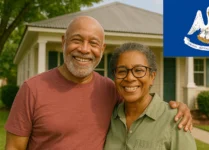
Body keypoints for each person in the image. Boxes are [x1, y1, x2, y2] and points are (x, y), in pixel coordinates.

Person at [5, 16, 192, 150]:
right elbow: (14, 147)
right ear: (63, 42)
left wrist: (178, 108)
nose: (84, 49)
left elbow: (141, 98)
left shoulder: (110, 89)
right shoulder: (33, 89)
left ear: (101, 49)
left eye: (93, 43)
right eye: (77, 40)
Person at [104, 42, 197, 150]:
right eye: (122, 71)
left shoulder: (174, 120)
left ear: (152, 77)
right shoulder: (110, 116)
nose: (129, 78)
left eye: (138, 70)